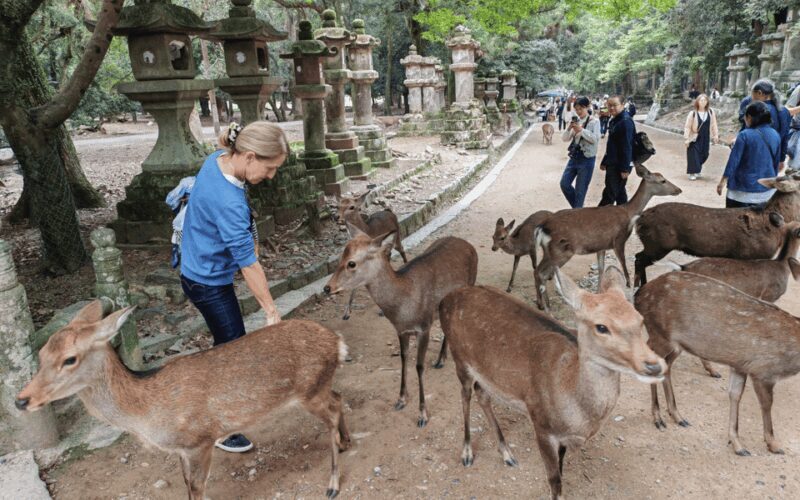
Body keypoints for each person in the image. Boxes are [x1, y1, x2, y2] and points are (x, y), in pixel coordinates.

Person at [180, 121, 287, 453]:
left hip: (197, 267)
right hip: (207, 281)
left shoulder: (218, 159)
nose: (270, 177)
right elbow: (248, 265)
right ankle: (221, 429)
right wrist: (271, 311)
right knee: (233, 351)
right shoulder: (228, 202)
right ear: (250, 156)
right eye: (269, 169)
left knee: (226, 345)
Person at [717, 101, 780, 208]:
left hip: (741, 193)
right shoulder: (775, 134)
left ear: (749, 117)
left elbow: (733, 161)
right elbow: (776, 163)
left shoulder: (744, 135)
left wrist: (722, 181)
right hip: (766, 193)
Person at [738, 79, 790, 170]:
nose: (751, 97)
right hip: (774, 156)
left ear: (759, 93)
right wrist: (781, 159)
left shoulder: (755, 110)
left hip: (753, 155)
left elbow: (747, 133)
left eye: (752, 93)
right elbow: (785, 137)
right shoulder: (784, 111)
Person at [560, 96, 601, 208]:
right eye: (576, 109)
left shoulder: (595, 121)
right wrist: (569, 128)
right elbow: (564, 139)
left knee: (580, 192)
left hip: (586, 159)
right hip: (574, 158)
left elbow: (595, 139)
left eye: (580, 109)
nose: (578, 112)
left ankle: (577, 213)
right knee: (564, 184)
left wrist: (581, 130)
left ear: (587, 107)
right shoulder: (576, 121)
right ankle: (578, 210)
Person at [599, 95, 635, 206]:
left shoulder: (625, 121)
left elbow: (627, 147)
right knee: (619, 193)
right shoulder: (614, 120)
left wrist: (625, 168)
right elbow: (612, 144)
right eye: (609, 106)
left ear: (623, 105)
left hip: (619, 165)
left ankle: (597, 219)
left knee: (609, 194)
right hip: (612, 162)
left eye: (615, 105)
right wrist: (605, 160)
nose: (611, 108)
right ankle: (625, 217)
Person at [684, 93, 719, 180]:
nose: (703, 102)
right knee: (693, 155)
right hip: (695, 137)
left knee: (704, 154)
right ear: (697, 102)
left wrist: (715, 135)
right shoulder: (693, 113)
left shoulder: (710, 112)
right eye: (701, 100)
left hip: (706, 137)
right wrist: (687, 138)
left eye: (705, 100)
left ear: (707, 102)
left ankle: (697, 169)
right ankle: (692, 172)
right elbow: (687, 127)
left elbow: (714, 124)